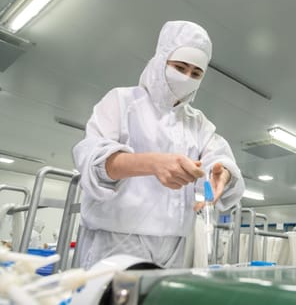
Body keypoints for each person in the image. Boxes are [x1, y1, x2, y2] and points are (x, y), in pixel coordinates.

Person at [73, 21, 245, 269]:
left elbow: (218, 161)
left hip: (174, 246)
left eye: (196, 73)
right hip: (117, 241)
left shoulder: (198, 123)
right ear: (161, 60)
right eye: (180, 67)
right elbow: (92, 161)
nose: (187, 77)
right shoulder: (122, 101)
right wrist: (153, 163)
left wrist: (222, 175)